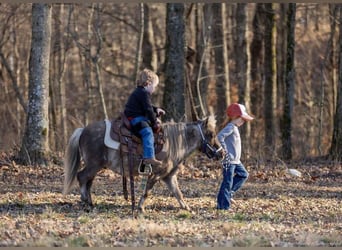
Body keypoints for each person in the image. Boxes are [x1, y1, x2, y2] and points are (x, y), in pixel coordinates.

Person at [216, 103, 254, 210]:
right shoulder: (231, 127)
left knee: (244, 174)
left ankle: (229, 193)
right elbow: (219, 137)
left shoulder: (235, 127)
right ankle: (223, 206)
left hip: (236, 161)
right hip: (229, 160)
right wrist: (224, 150)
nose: (243, 121)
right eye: (241, 119)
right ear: (234, 117)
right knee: (227, 182)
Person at [124, 69, 165, 166]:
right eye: (154, 86)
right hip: (135, 118)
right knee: (147, 132)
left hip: (136, 116)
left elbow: (148, 106)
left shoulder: (140, 91)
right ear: (148, 83)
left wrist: (156, 109)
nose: (154, 89)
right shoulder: (144, 93)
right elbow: (148, 109)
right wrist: (154, 122)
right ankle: (149, 157)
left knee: (149, 125)